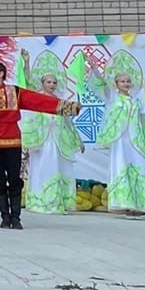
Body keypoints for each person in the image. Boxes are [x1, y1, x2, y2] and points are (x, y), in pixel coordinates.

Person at [0, 58, 77, 229]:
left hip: (13, 140)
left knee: (15, 179)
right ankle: (4, 217)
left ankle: (16, 217)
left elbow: (38, 101)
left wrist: (67, 107)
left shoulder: (14, 92)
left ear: (1, 74)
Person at [98, 50, 145, 215]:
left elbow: (144, 124)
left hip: (137, 142)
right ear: (116, 84)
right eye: (122, 81)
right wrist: (93, 66)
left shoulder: (137, 102)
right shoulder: (113, 99)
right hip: (121, 142)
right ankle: (125, 205)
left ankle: (139, 205)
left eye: (128, 81)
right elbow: (100, 83)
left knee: (139, 169)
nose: (126, 83)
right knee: (122, 169)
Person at [20, 66, 85, 215]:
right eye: (48, 82)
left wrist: (78, 140)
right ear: (42, 83)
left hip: (57, 141)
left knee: (59, 169)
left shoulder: (61, 102)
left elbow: (68, 123)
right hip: (41, 142)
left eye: (54, 82)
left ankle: (57, 202)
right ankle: (40, 202)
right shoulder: (37, 100)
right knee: (41, 169)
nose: (52, 85)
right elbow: (29, 120)